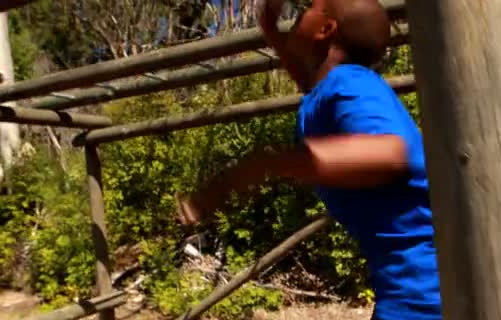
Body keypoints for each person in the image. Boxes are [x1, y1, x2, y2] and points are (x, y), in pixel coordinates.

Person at [175, 0, 442, 318]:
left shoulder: (351, 84)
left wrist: (260, 166)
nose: (298, 13)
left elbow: (392, 152)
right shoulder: (328, 88)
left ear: (326, 30)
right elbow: (307, 76)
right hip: (410, 286)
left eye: (307, 9)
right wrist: (270, 30)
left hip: (424, 295)